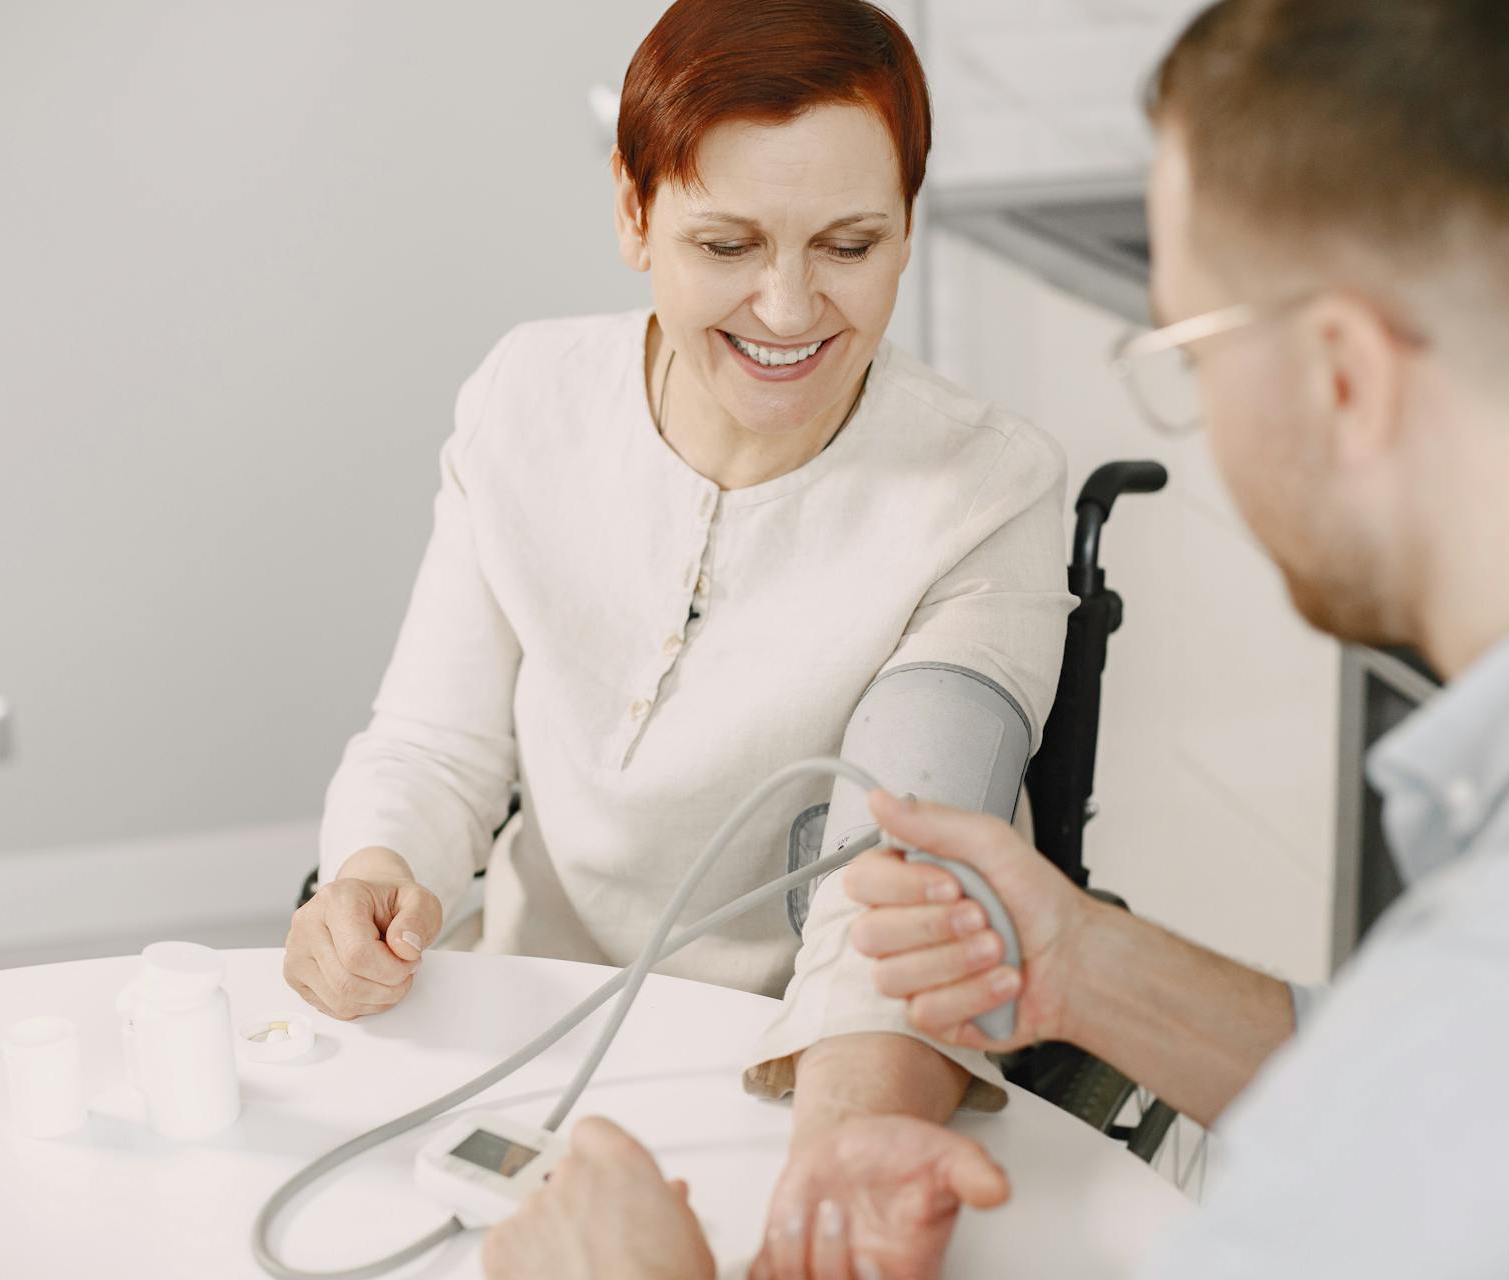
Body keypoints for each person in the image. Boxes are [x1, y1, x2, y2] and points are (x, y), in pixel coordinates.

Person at [480, 1, 1509, 1277]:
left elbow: (1503, 1099)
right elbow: (1462, 1078)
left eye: (1186, 345)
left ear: (1342, 376)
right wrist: (1092, 966)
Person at [286, 1, 1075, 1273]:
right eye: (726, 241)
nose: (788, 306)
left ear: (910, 225)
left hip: (791, 1080)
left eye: (851, 243)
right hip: (524, 1031)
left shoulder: (986, 492)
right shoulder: (524, 400)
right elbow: (434, 743)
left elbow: (908, 865)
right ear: (632, 212)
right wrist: (371, 868)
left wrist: (842, 1153)